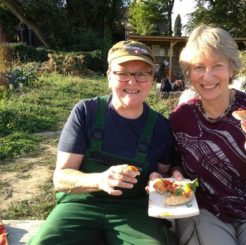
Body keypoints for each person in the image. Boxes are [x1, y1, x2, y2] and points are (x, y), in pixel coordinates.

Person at [29, 40, 176, 245]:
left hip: (134, 211)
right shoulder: (86, 112)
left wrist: (157, 178)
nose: (132, 82)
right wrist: (99, 180)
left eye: (141, 74)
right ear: (109, 76)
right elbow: (60, 178)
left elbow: (164, 174)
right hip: (80, 204)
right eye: (122, 73)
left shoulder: (161, 126)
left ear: (152, 79)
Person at [169, 24, 246, 245]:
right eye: (198, 67)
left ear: (232, 69)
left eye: (217, 65)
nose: (208, 76)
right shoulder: (181, 117)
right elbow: (176, 162)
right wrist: (176, 174)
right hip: (208, 211)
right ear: (189, 72)